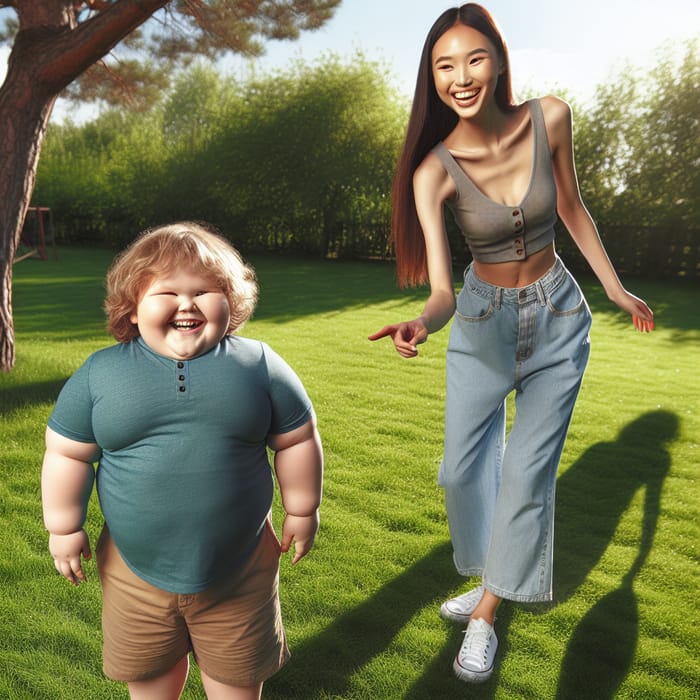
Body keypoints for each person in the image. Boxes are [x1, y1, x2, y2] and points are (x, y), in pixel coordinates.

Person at [369, 3, 654, 684]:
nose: (460, 76)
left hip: (558, 318)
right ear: (431, 78)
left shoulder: (549, 117)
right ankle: (494, 574)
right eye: (444, 65)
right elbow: (441, 289)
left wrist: (613, 287)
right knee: (460, 472)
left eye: (473, 58)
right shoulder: (433, 172)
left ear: (496, 59)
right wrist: (422, 324)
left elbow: (571, 208)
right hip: (479, 325)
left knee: (527, 475)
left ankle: (487, 614)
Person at [42, 222, 324, 700]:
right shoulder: (101, 373)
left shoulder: (258, 365)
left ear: (230, 303)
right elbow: (67, 452)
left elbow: (297, 439)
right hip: (135, 574)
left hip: (241, 569)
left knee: (235, 679)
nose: (187, 304)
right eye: (167, 292)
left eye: (205, 291)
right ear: (131, 309)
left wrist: (302, 508)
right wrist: (64, 526)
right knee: (151, 676)